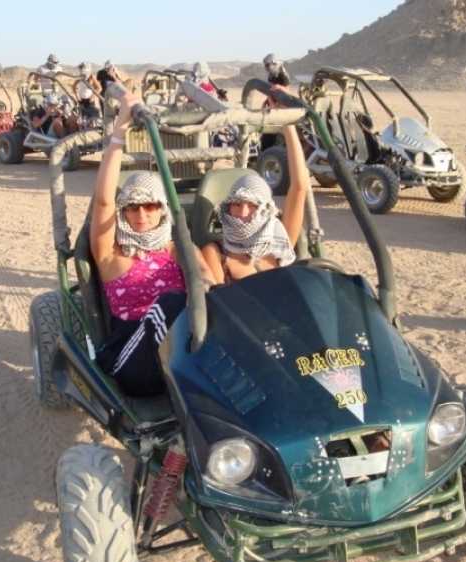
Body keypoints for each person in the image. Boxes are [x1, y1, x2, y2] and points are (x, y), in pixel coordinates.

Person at [91, 91, 214, 396]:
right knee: (172, 302)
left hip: (181, 354)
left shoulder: (177, 249)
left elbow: (206, 278)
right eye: (133, 207)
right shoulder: (111, 254)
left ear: (162, 209)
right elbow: (104, 202)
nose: (142, 215)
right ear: (123, 211)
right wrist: (119, 130)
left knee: (208, 297)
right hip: (132, 361)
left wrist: (206, 286)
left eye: (150, 206)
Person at [201, 87, 308, 284]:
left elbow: (300, 188)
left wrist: (287, 122)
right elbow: (216, 297)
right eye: (237, 204)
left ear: (265, 210)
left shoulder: (279, 245)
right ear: (228, 207)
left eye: (252, 206)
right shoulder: (216, 253)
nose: (242, 213)